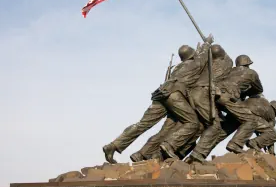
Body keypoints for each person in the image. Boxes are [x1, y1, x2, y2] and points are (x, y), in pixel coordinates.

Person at [102, 35, 213, 164]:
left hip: (161, 93)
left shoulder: (178, 67)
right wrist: (208, 43)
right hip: (174, 95)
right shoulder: (194, 63)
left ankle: (113, 145)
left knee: (142, 124)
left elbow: (198, 56)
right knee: (193, 123)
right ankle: (169, 144)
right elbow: (203, 57)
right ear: (192, 56)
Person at [130, 44, 233, 162]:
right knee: (207, 125)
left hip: (182, 99)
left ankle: (147, 154)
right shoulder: (219, 64)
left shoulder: (186, 67)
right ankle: (186, 153)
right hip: (183, 99)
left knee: (171, 130)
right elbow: (222, 60)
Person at [186, 54, 263, 163]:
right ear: (247, 64)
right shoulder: (252, 73)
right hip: (227, 97)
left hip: (214, 95)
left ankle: (197, 154)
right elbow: (258, 90)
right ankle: (235, 144)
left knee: (220, 128)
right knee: (251, 120)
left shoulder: (230, 71)